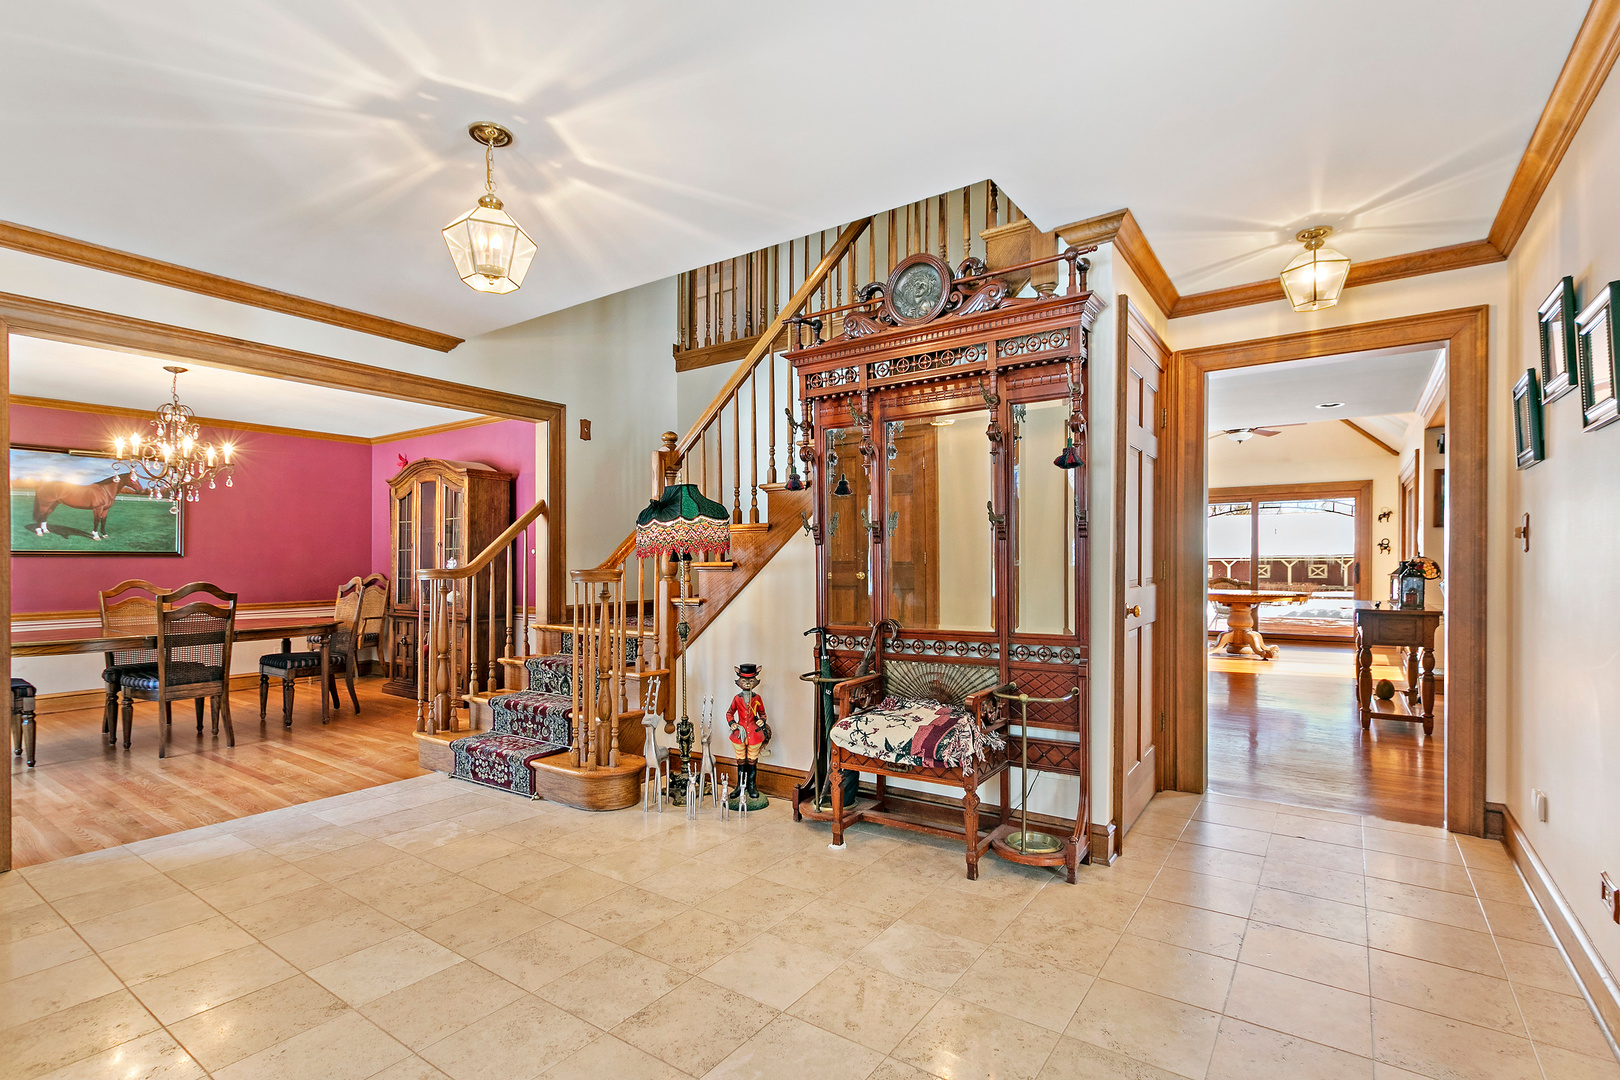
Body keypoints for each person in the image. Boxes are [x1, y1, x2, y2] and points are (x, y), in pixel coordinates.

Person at [725, 663, 770, 804]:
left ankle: (752, 787)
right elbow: (729, 712)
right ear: (739, 681)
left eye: (750, 681)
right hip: (739, 734)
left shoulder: (757, 699)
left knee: (752, 761)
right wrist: (732, 723)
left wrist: (762, 720)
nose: (747, 684)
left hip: (754, 734)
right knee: (740, 761)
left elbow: (762, 713)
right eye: (744, 681)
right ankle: (739, 786)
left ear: (755, 681)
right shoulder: (737, 699)